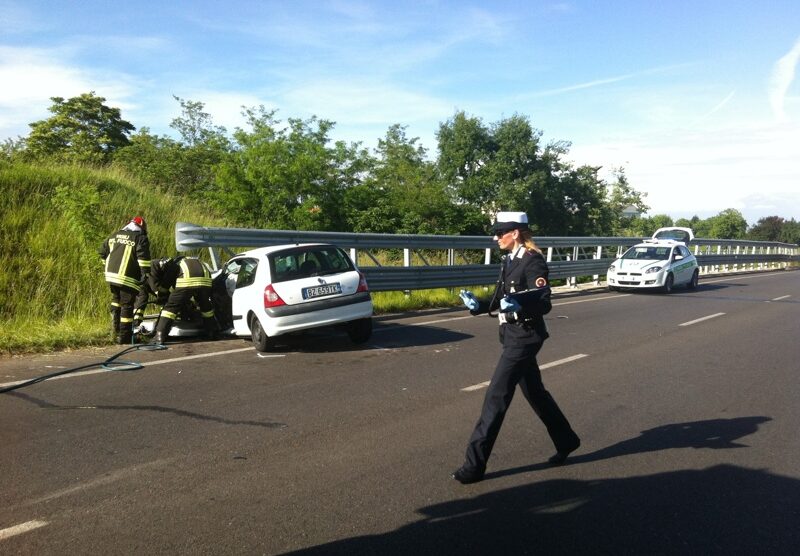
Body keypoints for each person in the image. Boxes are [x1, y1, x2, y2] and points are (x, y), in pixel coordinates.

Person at [452, 211, 580, 484]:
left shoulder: (532, 261)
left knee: (495, 397)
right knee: (535, 393)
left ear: (516, 233)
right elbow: (502, 297)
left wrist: (522, 305)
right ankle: (567, 440)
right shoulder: (510, 260)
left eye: (501, 232)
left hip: (525, 337)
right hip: (510, 335)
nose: (495, 237)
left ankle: (474, 466)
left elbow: (543, 301)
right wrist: (480, 305)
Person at [99, 216, 151, 344]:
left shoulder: (114, 235)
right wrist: (145, 275)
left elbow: (102, 253)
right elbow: (143, 260)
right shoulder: (140, 238)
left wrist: (108, 267)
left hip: (111, 275)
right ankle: (125, 337)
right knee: (127, 305)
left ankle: (114, 330)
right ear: (141, 228)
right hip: (127, 277)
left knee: (116, 301)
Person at [149, 256, 219, 344]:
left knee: (170, 308)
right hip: (206, 282)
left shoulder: (175, 263)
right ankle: (212, 333)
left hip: (187, 281)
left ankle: (159, 337)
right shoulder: (194, 260)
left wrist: (162, 293)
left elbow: (167, 282)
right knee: (206, 308)